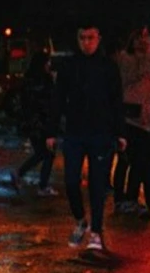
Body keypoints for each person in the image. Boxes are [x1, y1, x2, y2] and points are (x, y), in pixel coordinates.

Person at [54, 23, 125, 253]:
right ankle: (81, 219)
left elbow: (116, 101)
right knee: (71, 181)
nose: (87, 42)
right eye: (83, 38)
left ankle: (96, 230)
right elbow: (58, 99)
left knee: (98, 184)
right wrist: (51, 131)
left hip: (101, 133)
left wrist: (120, 132)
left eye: (91, 38)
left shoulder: (108, 67)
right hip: (75, 132)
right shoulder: (68, 66)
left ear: (98, 38)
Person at [114, 29, 150, 215]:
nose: (143, 42)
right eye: (139, 38)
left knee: (140, 162)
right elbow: (135, 74)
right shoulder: (126, 60)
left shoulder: (148, 64)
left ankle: (132, 198)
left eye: (145, 38)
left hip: (144, 120)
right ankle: (123, 199)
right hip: (130, 119)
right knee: (129, 160)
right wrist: (147, 54)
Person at [12, 44, 58, 193]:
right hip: (38, 123)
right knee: (47, 153)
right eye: (47, 62)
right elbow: (44, 101)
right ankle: (41, 185)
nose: (49, 65)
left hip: (36, 123)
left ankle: (21, 174)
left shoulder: (35, 80)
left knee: (43, 153)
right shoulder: (39, 82)